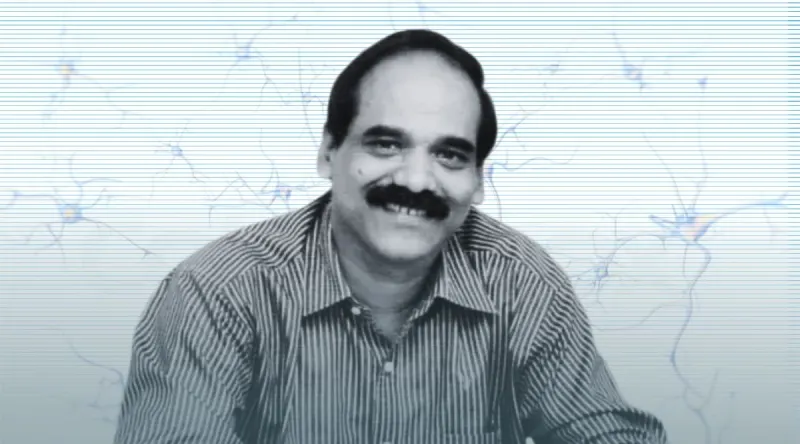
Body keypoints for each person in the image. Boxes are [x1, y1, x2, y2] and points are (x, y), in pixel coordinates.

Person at [114, 29, 669, 444]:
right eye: (386, 144)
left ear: (478, 183)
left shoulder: (520, 281)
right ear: (329, 153)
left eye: (450, 155)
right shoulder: (218, 290)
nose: (417, 180)